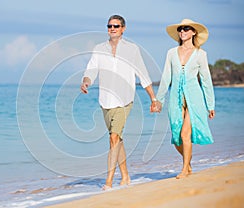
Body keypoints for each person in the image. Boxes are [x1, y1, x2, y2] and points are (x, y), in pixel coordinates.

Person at [80, 15, 157, 189]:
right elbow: (91, 70)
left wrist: (153, 98)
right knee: (118, 139)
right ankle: (126, 176)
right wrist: (86, 81)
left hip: (124, 100)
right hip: (105, 101)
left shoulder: (132, 49)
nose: (112, 28)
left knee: (113, 138)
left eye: (116, 26)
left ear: (123, 28)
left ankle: (108, 182)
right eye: (109, 26)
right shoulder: (99, 49)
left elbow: (142, 74)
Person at [153, 19, 215, 179]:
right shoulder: (171, 53)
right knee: (177, 138)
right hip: (175, 97)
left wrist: (210, 104)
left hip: (195, 98)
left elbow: (206, 80)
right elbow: (166, 76)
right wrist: (158, 99)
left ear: (194, 32)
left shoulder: (201, 54)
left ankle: (184, 169)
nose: (182, 31)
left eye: (186, 29)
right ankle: (188, 163)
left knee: (185, 134)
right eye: (180, 29)